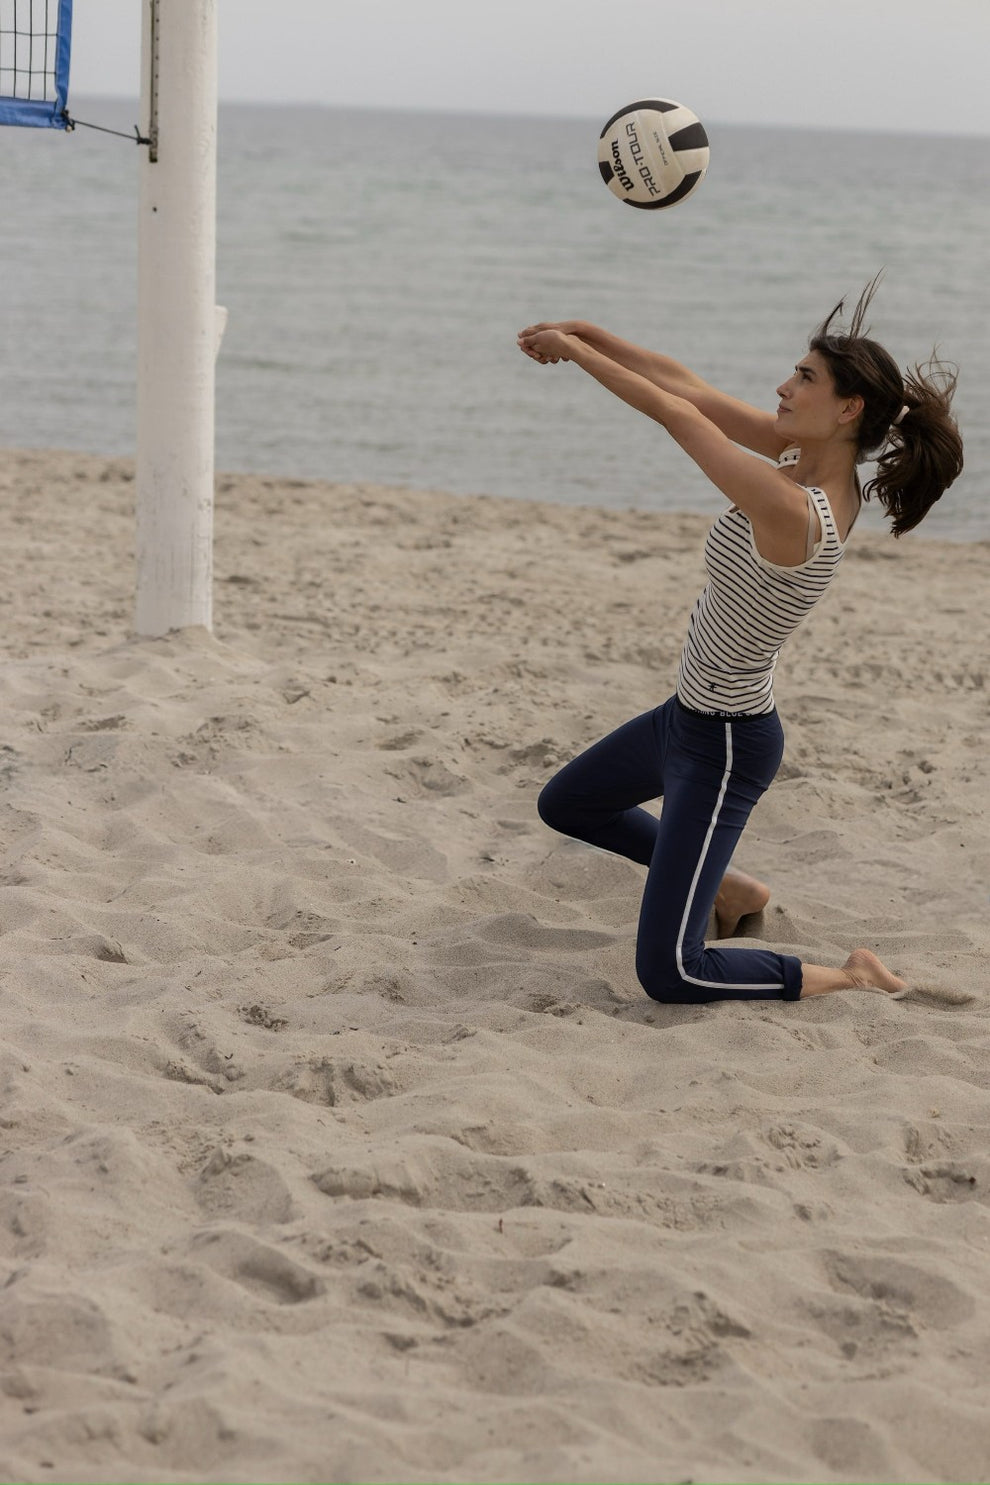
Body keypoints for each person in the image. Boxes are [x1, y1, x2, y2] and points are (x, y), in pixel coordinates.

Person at [516, 277, 963, 1003]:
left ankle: (852, 973)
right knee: (568, 803)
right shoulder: (797, 455)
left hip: (725, 743)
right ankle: (729, 888)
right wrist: (589, 332)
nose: (784, 387)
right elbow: (684, 383)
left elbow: (673, 414)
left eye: (805, 378)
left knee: (671, 970)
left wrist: (573, 354)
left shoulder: (794, 508)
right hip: (686, 714)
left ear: (847, 409)